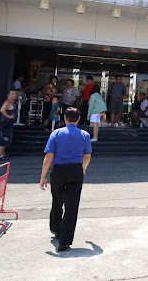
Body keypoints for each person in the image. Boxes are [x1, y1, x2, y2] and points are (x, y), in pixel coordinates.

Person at [39, 107, 92, 253]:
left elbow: (48, 157)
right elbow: (87, 156)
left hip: (59, 170)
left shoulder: (56, 133)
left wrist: (43, 176)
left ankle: (56, 229)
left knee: (57, 200)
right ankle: (65, 241)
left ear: (65, 119)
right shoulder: (85, 135)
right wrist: (83, 169)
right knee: (72, 206)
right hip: (76, 170)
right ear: (79, 119)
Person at [0, 90, 18, 160]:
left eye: (15, 94)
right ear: (8, 95)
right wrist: (9, 117)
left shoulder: (12, 103)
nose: (14, 95)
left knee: (8, 137)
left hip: (9, 124)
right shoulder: (7, 102)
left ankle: (3, 153)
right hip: (5, 123)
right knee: (5, 137)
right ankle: (0, 154)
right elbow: (2, 110)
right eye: (12, 94)